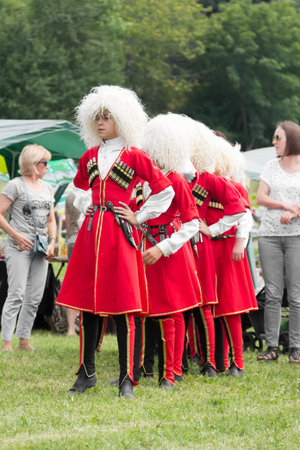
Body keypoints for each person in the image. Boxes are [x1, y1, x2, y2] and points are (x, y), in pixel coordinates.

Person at [56, 85, 174, 398]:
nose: (100, 122)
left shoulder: (136, 156)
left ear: (122, 120)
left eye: (106, 116)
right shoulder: (90, 155)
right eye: (97, 117)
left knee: (125, 305)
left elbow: (165, 192)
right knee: (88, 304)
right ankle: (86, 373)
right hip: (92, 233)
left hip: (121, 235)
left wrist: (140, 215)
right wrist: (85, 204)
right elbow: (78, 189)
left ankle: (126, 379)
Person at [118, 113, 201, 388]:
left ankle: (171, 373)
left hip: (169, 250)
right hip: (142, 248)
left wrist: (164, 248)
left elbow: (192, 224)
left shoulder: (176, 180)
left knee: (172, 311)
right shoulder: (142, 180)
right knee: (142, 310)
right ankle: (137, 372)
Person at [0, 144, 56, 351]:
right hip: (18, 247)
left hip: (40, 248)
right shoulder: (15, 185)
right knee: (16, 294)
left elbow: (51, 219)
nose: (47, 167)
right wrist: (15, 235)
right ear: (34, 164)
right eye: (45, 163)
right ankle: (7, 342)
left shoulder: (47, 188)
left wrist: (52, 242)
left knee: (34, 297)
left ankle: (24, 339)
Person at [256, 120, 300, 363]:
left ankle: (295, 348)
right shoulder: (271, 166)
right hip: (269, 235)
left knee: (296, 295)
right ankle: (271, 347)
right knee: (272, 293)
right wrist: (284, 204)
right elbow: (261, 197)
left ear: (290, 139)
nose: (273, 142)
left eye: (277, 138)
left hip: (297, 237)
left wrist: (295, 212)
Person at [64, 189, 80, 336]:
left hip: (73, 240)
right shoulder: (96, 191)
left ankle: (70, 329)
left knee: (73, 284)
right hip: (89, 238)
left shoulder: (70, 196)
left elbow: (68, 226)